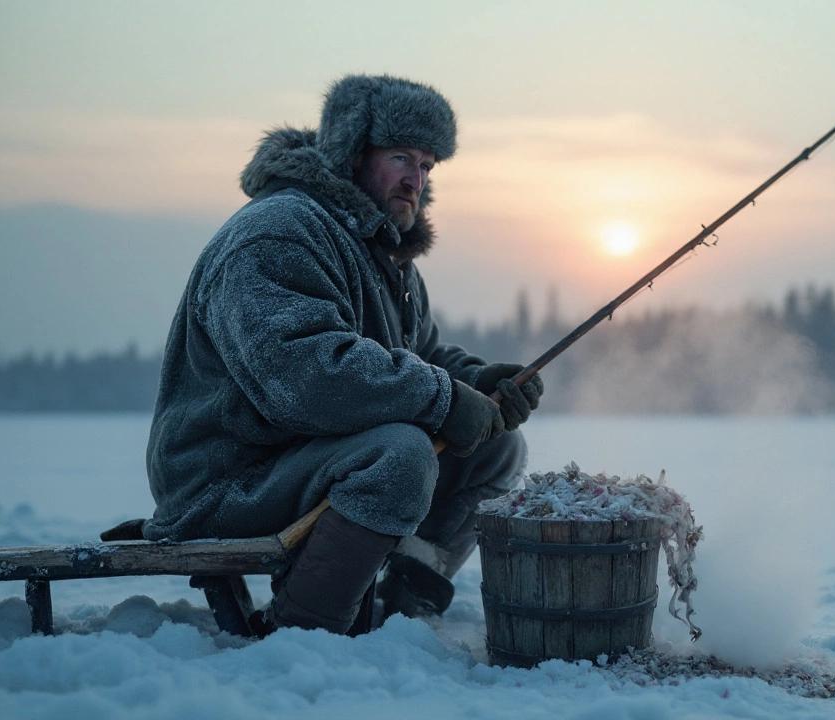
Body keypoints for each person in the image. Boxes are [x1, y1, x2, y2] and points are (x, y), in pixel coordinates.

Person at [144, 74, 543, 635]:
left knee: (494, 448)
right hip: (226, 478)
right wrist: (443, 397)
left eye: (428, 165)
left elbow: (418, 352)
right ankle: (304, 633)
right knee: (400, 456)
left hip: (303, 458)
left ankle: (406, 602)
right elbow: (307, 376)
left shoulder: (382, 253)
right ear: (352, 152)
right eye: (401, 156)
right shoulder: (278, 232)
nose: (417, 179)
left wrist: (478, 382)